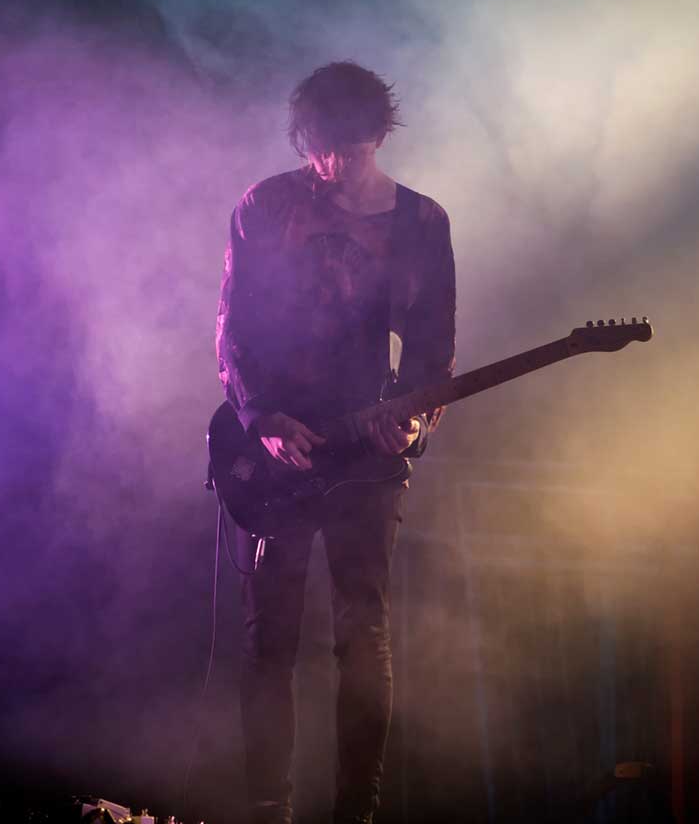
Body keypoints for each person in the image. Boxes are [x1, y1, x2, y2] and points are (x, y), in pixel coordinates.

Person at [214, 62, 456, 824]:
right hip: (273, 453)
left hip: (366, 454)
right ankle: (267, 809)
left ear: (378, 138)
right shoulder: (264, 205)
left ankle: (358, 813)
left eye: (348, 151)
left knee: (363, 633)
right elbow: (234, 331)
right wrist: (262, 420)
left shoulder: (421, 224)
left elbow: (430, 354)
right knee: (270, 641)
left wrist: (411, 419)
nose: (332, 167)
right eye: (320, 149)